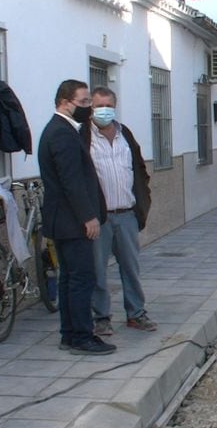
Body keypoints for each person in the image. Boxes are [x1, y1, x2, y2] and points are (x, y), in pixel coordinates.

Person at [38, 79, 114, 355]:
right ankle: (82, 336)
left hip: (65, 220)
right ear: (64, 103)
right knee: (81, 278)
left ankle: (69, 334)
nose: (88, 109)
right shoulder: (61, 133)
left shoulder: (64, 130)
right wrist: (88, 217)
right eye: (83, 103)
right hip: (72, 221)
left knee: (70, 279)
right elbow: (71, 181)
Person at [84, 86, 156, 335]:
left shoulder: (126, 135)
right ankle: (101, 317)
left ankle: (136, 314)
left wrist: (141, 206)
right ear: (91, 108)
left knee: (131, 268)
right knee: (98, 270)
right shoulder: (84, 137)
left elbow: (139, 171)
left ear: (114, 106)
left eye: (107, 105)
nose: (103, 110)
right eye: (97, 105)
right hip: (100, 218)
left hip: (126, 214)